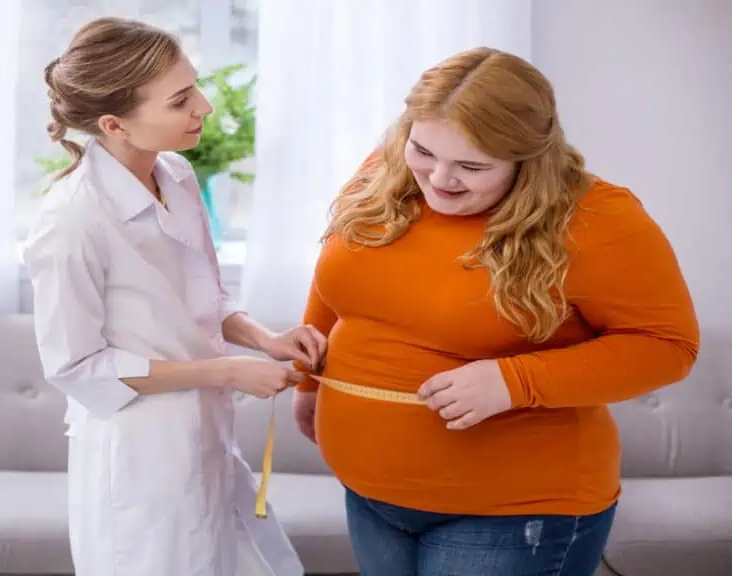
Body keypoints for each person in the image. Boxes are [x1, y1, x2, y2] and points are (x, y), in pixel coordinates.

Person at [291, 47, 700, 576]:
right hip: (371, 498)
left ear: (529, 157)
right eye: (423, 150)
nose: (438, 179)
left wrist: (515, 380)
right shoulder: (386, 173)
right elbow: (337, 281)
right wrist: (311, 382)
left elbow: (667, 346)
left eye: (472, 166)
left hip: (512, 513)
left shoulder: (598, 219)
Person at [22, 17, 324, 576]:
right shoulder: (72, 220)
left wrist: (266, 339)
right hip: (141, 458)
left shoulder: (178, 176)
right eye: (181, 100)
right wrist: (228, 373)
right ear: (116, 124)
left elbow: (205, 298)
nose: (204, 107)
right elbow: (78, 365)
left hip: (208, 439)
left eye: (195, 87)